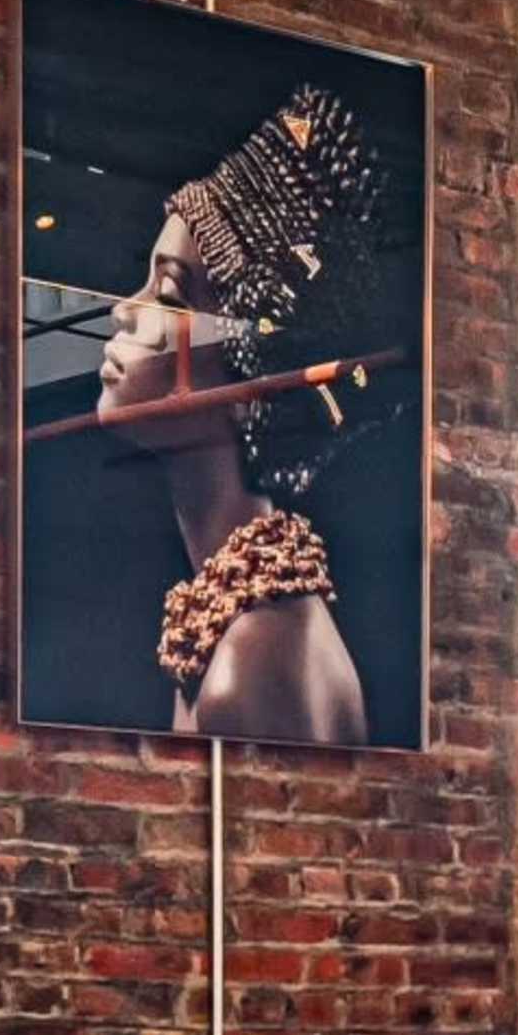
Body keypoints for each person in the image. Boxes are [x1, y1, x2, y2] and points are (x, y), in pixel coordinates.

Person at [91, 86, 395, 748]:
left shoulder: (252, 663)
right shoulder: (236, 632)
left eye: (168, 292)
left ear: (249, 366)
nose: (125, 310)